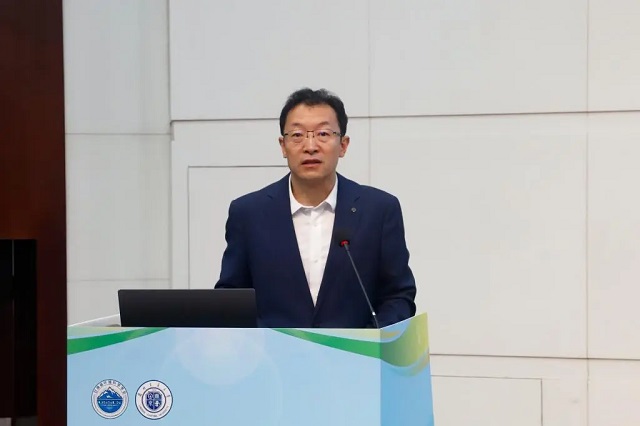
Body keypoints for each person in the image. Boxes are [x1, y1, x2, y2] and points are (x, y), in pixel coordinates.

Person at [215, 88, 416, 328]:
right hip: (274, 351)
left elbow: (398, 296)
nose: (310, 146)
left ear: (343, 145)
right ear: (283, 146)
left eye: (323, 134)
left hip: (355, 350)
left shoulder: (379, 210)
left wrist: (368, 341)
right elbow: (231, 299)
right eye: (297, 135)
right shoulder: (248, 213)